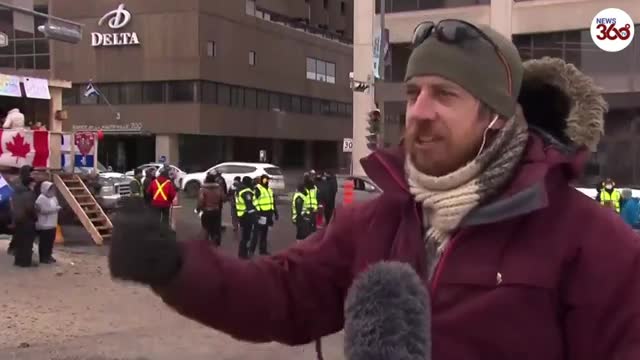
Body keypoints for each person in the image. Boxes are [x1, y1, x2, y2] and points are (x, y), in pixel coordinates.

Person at [108, 21, 640, 359]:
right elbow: (283, 295)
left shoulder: (591, 242)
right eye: (414, 93)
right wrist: (177, 268)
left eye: (445, 95)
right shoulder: (380, 220)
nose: (420, 112)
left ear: (498, 118)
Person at [249, 175, 279, 256]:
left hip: (268, 214)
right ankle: (251, 251)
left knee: (264, 233)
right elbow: (254, 202)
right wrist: (258, 213)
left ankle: (263, 250)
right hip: (261, 214)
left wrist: (275, 213)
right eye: (265, 180)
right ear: (262, 180)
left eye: (267, 180)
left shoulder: (269, 190)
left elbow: (272, 202)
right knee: (256, 233)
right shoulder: (257, 189)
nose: (267, 181)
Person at [11, 176, 37, 267]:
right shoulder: (29, 194)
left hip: (18, 220)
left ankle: (18, 261)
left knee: (19, 241)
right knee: (27, 242)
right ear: (30, 184)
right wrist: (35, 217)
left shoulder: (15, 193)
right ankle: (26, 262)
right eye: (34, 183)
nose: (35, 185)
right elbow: (30, 208)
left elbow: (13, 207)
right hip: (27, 221)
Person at [7, 165, 32, 254]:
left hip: (22, 206)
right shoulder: (17, 182)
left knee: (21, 230)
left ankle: (18, 248)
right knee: (19, 230)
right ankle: (14, 248)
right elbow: (13, 196)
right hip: (19, 207)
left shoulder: (24, 181)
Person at [35, 181, 61, 264]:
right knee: (44, 242)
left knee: (50, 242)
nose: (52, 191)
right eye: (50, 189)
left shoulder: (53, 198)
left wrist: (57, 208)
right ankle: (43, 257)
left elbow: (56, 205)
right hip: (44, 224)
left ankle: (49, 255)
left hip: (52, 223)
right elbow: (42, 210)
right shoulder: (41, 198)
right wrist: (55, 209)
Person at [197, 172, 224, 246]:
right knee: (215, 228)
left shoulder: (203, 189)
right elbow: (223, 198)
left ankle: (205, 246)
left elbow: (201, 201)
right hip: (216, 211)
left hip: (206, 211)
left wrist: (198, 209)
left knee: (205, 228)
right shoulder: (219, 188)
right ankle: (215, 242)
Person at [235, 176, 256, 259]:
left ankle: (242, 253)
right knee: (246, 236)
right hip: (246, 216)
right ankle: (243, 254)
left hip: (241, 215)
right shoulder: (246, 192)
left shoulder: (239, 189)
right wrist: (254, 218)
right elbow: (249, 206)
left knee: (244, 235)